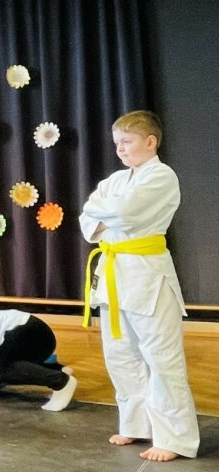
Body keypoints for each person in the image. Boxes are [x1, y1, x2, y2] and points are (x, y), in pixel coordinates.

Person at [78, 110, 198, 462]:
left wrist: (105, 211)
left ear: (150, 141)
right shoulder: (116, 180)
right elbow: (87, 219)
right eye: (117, 143)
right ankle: (137, 424)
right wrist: (104, 211)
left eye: (127, 142)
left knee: (161, 358)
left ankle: (174, 438)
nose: (120, 149)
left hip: (148, 276)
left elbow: (126, 213)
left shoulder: (162, 176)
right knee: (120, 354)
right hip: (113, 274)